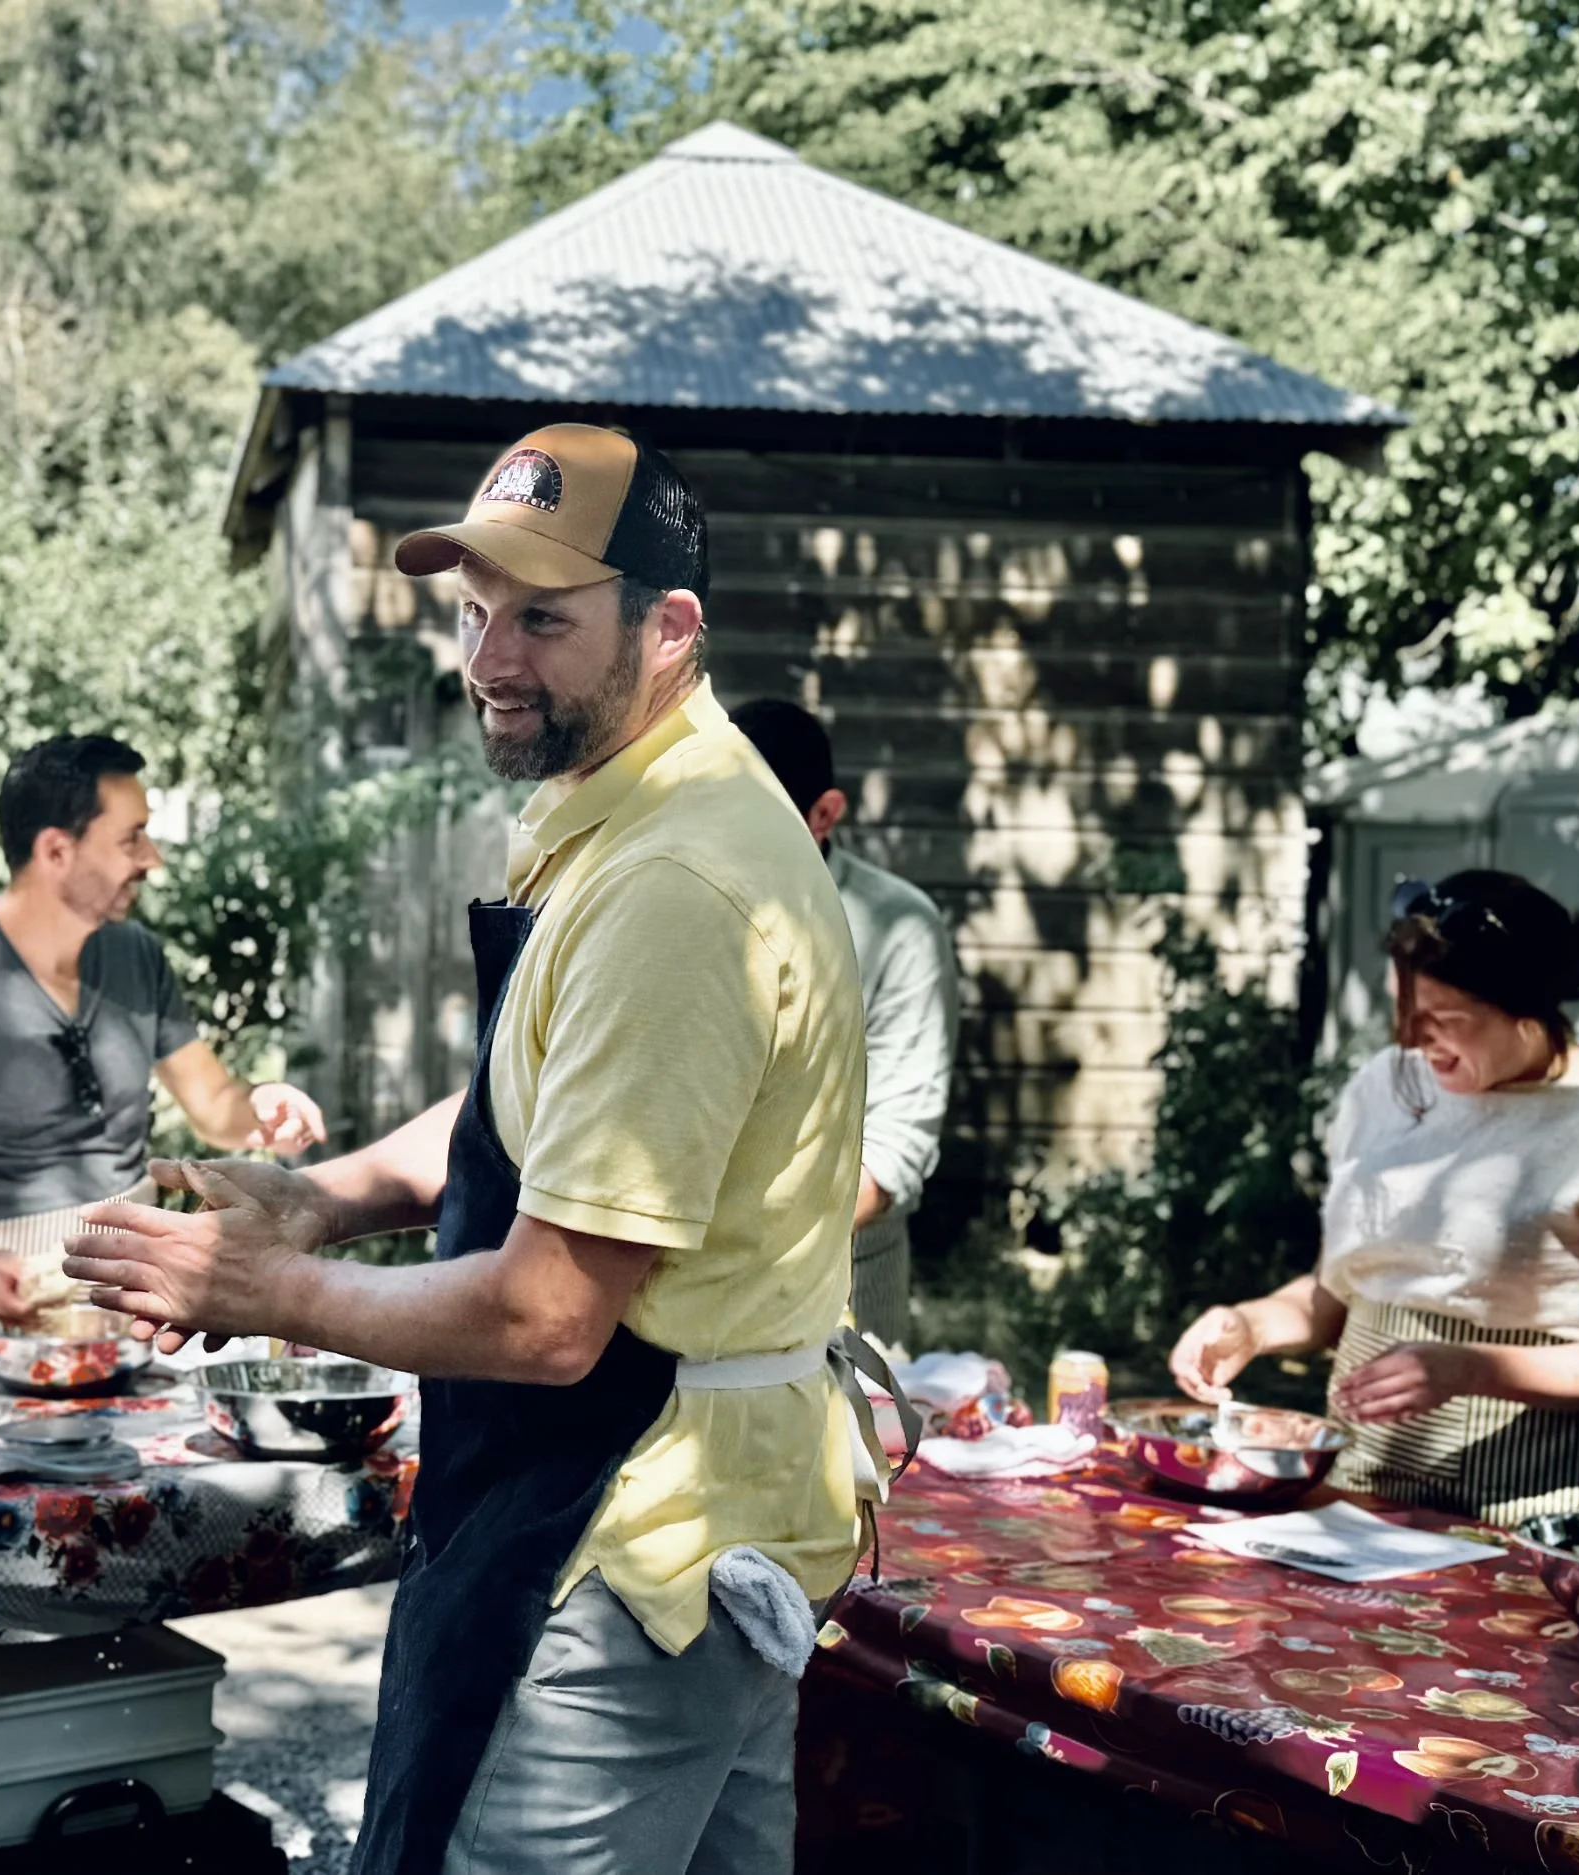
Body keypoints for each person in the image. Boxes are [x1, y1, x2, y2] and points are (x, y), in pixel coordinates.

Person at [66, 424, 901, 1875]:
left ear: (671, 626)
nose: (492, 655)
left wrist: (264, 1287)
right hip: (714, 1529)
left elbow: (549, 1314)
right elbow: (538, 1117)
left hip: (625, 1541)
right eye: (473, 610)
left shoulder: (677, 881)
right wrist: (321, 1198)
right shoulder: (631, 808)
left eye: (545, 616)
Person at [0, 733, 327, 1381]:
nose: (152, 858)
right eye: (131, 837)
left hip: (120, 1299)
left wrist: (260, 1107)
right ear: (57, 850)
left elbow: (214, 1106)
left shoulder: (137, 957)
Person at [1170, 870, 1579, 1523]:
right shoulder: (1382, 1089)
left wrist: (1471, 1368)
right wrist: (1250, 1323)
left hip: (1531, 1504)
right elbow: (1339, 1293)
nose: (1410, 1040)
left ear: (1527, 1011)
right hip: (1363, 1490)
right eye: (1402, 1010)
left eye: (1443, 1018)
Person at [729, 698, 958, 1348]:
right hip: (676, 1299)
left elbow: (894, 1147)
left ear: (825, 813)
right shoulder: (678, 901)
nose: (727, 843)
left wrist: (732, 1254)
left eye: (757, 822)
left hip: (841, 1292)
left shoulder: (900, 929)